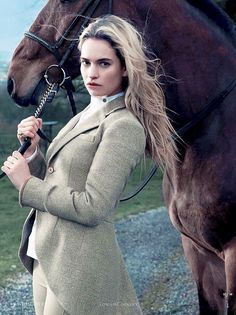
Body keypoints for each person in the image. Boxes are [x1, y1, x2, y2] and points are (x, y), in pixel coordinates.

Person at [1, 15, 177, 315]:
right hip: (46, 251)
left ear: (125, 67)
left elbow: (93, 206)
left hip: (78, 265)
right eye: (85, 62)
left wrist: (27, 185)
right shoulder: (87, 112)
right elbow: (63, 180)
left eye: (103, 63)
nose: (91, 73)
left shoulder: (124, 126)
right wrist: (32, 155)